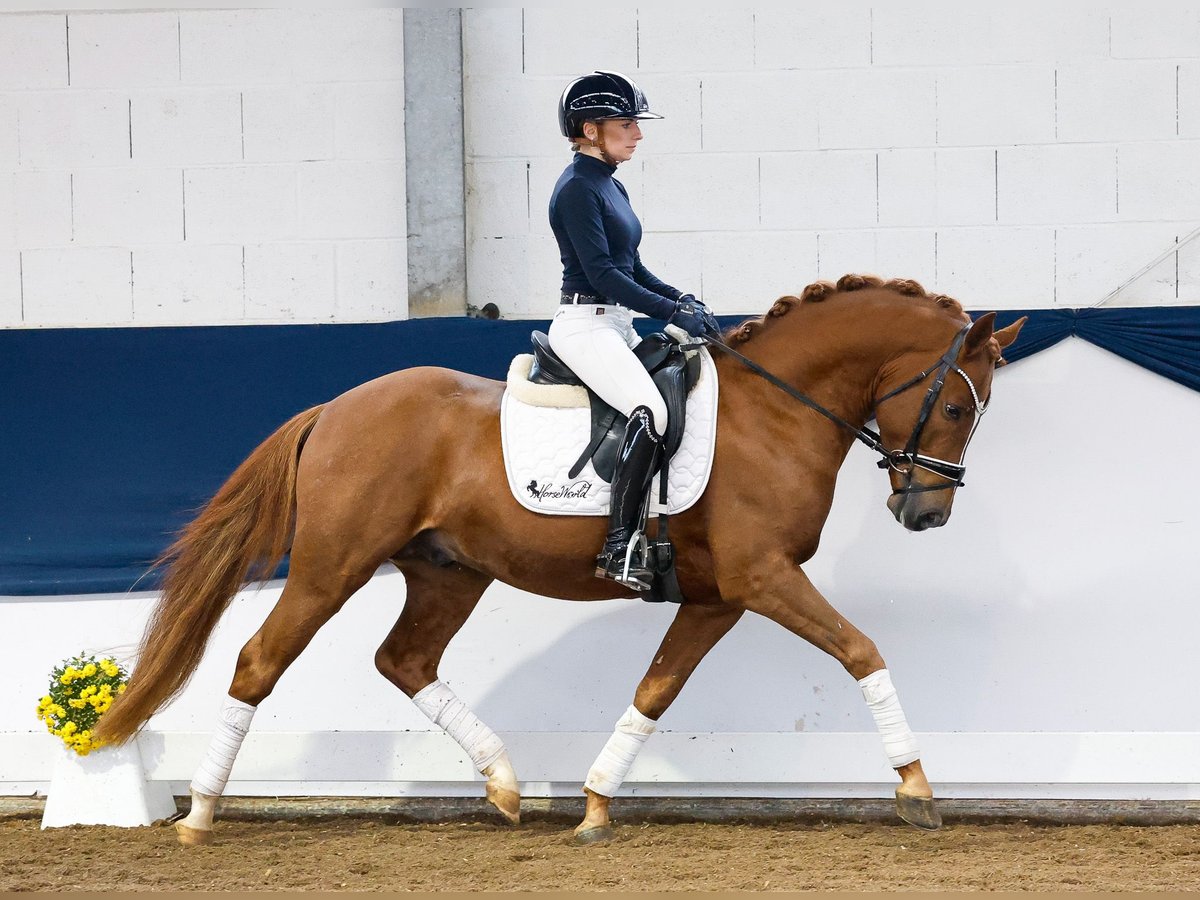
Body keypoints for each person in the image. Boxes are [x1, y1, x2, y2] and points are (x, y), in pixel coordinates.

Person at [548, 70, 720, 592]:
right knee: (650, 412)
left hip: (614, 324)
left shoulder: (609, 184)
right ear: (591, 129)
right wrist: (670, 314)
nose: (638, 134)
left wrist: (680, 300)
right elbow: (602, 275)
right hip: (584, 325)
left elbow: (632, 268)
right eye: (626, 124)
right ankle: (620, 545)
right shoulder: (579, 188)